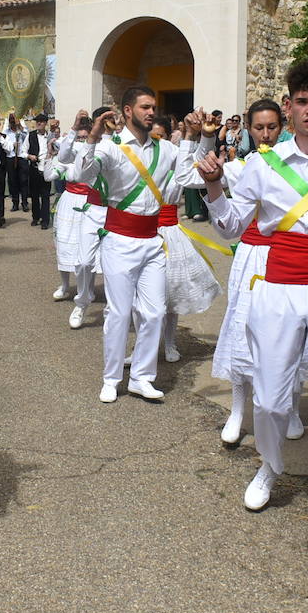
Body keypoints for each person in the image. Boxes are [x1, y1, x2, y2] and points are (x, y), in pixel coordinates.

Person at [195, 61, 308, 510]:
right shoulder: (262, 164)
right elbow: (232, 227)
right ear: (289, 107)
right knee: (273, 398)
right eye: (302, 101)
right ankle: (271, 465)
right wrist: (216, 185)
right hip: (279, 286)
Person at [58, 85, 190, 403]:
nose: (151, 112)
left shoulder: (165, 149)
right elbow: (81, 174)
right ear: (128, 111)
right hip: (119, 240)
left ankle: (142, 378)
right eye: (145, 106)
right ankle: (111, 377)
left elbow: (187, 176)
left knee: (155, 312)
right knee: (118, 313)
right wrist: (92, 138)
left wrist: (199, 138)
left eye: (153, 107)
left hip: (152, 240)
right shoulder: (111, 147)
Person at [193, 98, 305, 445]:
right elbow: (206, 171)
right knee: (243, 328)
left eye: (273, 127)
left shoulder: (296, 163)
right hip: (253, 255)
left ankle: (292, 407)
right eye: (259, 128)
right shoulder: (241, 167)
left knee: (293, 333)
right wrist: (207, 140)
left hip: (288, 255)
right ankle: (239, 410)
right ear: (250, 131)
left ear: (282, 127)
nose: (266, 134)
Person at [154, 114, 223, 361]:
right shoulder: (136, 163)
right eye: (152, 137)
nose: (156, 142)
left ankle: (170, 343)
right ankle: (143, 348)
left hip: (171, 233)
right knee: (143, 297)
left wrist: (202, 135)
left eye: (160, 136)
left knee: (172, 292)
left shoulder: (176, 162)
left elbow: (198, 163)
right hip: (143, 233)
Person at [49, 110, 106, 329]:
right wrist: (73, 128)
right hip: (82, 205)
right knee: (80, 257)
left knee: (109, 260)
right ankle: (81, 300)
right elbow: (62, 156)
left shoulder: (109, 148)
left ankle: (114, 305)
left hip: (105, 207)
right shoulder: (77, 150)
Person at [22, 113, 54, 228]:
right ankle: (36, 217)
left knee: (45, 195)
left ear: (45, 123)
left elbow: (56, 149)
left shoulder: (50, 135)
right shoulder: (30, 135)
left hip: (46, 168)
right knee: (34, 195)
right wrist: (29, 156)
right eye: (37, 121)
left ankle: (45, 220)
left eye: (41, 121)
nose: (39, 123)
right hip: (34, 168)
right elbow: (23, 151)